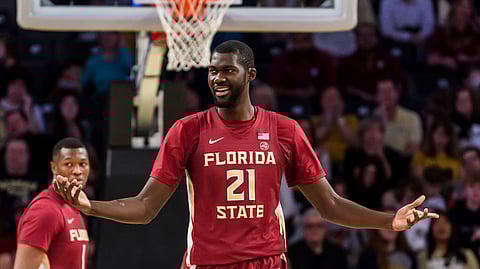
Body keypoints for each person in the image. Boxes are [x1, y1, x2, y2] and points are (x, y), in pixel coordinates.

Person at [54, 40, 438, 269]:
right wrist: (90, 207)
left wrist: (390, 222)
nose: (218, 78)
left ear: (250, 75)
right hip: (207, 263)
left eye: (228, 71)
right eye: (212, 72)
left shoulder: (285, 130)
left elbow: (330, 206)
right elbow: (145, 207)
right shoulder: (187, 130)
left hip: (267, 261)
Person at [14, 137, 90, 269]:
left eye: (82, 164)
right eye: (69, 164)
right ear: (54, 168)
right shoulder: (45, 210)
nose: (77, 171)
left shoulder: (74, 207)